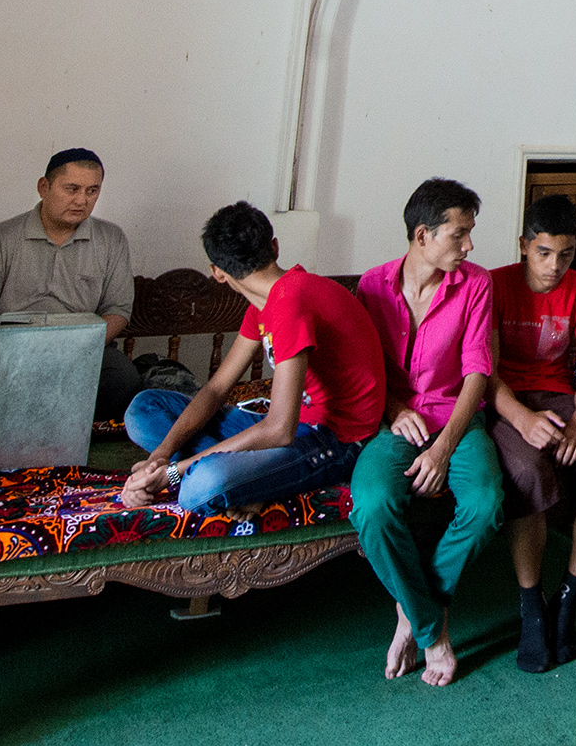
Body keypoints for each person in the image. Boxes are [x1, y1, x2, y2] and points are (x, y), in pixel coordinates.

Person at [120, 202, 384, 515]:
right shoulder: (265, 303)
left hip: (335, 440)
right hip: (295, 425)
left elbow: (279, 430)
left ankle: (249, 479)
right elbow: (216, 390)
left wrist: (175, 472)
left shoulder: (290, 304)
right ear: (274, 247)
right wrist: (161, 456)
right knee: (143, 409)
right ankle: (253, 480)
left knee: (200, 487)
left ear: (217, 272)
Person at [351, 178, 505, 689]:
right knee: (372, 505)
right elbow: (362, 369)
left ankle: (411, 613)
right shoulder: (372, 286)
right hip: (394, 422)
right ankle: (431, 630)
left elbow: (477, 372)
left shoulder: (476, 284)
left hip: (457, 419)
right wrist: (394, 409)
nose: (470, 245)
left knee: (484, 503)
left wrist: (443, 449)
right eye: (459, 234)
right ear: (423, 236)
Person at [490, 194, 576, 672]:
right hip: (509, 403)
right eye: (544, 253)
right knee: (527, 470)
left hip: (563, 398)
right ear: (524, 245)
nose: (554, 266)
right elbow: (485, 372)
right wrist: (520, 418)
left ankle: (569, 595)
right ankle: (532, 604)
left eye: (566, 255)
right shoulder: (495, 285)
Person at [0, 149, 139, 420]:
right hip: (9, 350)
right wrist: (22, 354)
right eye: (72, 189)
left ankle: (76, 443)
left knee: (123, 378)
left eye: (92, 191)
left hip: (81, 348)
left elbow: (118, 309)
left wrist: (77, 348)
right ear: (44, 188)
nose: (81, 200)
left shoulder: (111, 239)